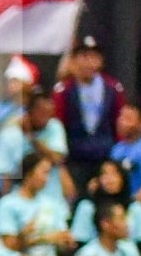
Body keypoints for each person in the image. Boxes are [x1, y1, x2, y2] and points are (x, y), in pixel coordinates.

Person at [54, 37, 126, 194]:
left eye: (94, 57)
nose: (88, 63)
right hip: (75, 161)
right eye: (84, 57)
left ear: (101, 61)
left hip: (106, 159)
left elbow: (119, 124)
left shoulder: (113, 88)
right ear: (74, 60)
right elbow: (58, 127)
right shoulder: (64, 90)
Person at [109, 101, 141, 200]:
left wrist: (132, 206)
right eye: (120, 116)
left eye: (128, 118)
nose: (121, 121)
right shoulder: (116, 149)